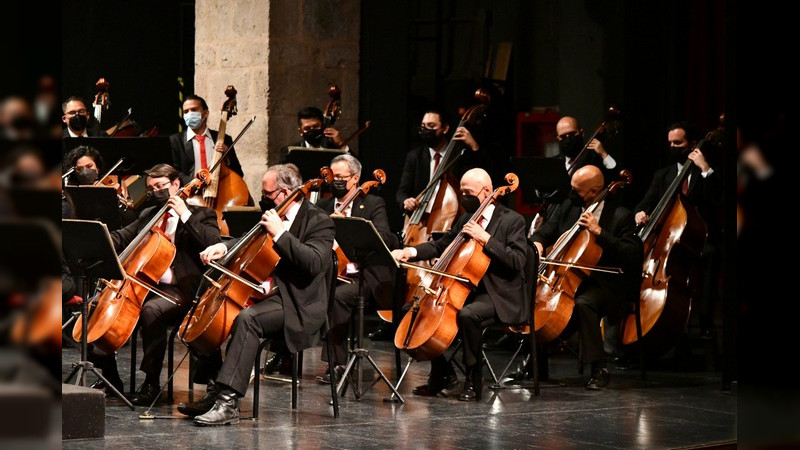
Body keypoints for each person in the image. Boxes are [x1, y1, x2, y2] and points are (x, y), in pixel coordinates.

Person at [188, 163, 334, 426]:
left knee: (248, 319)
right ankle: (214, 389)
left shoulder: (319, 221)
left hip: (297, 301)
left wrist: (280, 233)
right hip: (266, 293)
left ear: (286, 192)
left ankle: (228, 403)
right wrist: (223, 246)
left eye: (268, 194)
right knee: (209, 311)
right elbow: (246, 240)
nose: (264, 199)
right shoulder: (272, 212)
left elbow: (314, 263)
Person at [391, 168, 528, 401]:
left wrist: (486, 239)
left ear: (487, 191)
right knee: (412, 311)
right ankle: (443, 374)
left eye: (469, 192)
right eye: (461, 192)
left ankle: (474, 381)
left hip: (498, 293)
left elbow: (517, 261)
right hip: (465, 288)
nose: (464, 197)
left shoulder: (512, 220)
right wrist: (410, 251)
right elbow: (441, 246)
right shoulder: (466, 219)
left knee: (468, 316)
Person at [109, 163, 222, 406]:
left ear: (176, 185)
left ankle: (151, 383)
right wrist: (97, 235)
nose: (157, 192)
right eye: (151, 189)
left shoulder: (202, 214)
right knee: (97, 308)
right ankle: (109, 377)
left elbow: (212, 242)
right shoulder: (149, 214)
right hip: (149, 285)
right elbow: (123, 236)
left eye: (161, 187)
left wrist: (184, 213)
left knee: (151, 310)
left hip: (184, 289)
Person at [530, 165, 642, 390]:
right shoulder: (570, 206)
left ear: (594, 192)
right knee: (535, 300)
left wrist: (600, 233)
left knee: (583, 303)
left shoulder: (620, 215)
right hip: (571, 278)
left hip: (606, 284)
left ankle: (598, 368)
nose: (571, 194)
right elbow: (547, 230)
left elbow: (633, 255)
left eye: (577, 190)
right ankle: (534, 365)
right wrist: (538, 242)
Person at [380, 108, 486, 342]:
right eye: (423, 125)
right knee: (401, 264)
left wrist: (473, 147)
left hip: (445, 223)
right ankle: (395, 319)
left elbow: (482, 177)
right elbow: (401, 191)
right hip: (417, 223)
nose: (425, 130)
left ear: (445, 128)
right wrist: (404, 201)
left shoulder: (460, 154)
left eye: (431, 126)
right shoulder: (415, 156)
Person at [310, 154, 400, 383]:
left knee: (337, 297)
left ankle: (336, 364)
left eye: (341, 177)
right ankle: (285, 354)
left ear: (355, 179)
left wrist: (348, 227)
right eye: (333, 176)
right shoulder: (322, 206)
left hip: (366, 276)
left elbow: (387, 240)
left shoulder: (372, 203)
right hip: (332, 272)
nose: (335, 181)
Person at [634, 121, 722, 338]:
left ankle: (705, 321)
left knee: (712, 256)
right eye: (670, 143)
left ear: (692, 144)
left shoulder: (707, 172)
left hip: (700, 239)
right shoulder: (662, 175)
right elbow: (645, 202)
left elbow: (719, 198)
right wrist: (640, 213)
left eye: (678, 143)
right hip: (671, 240)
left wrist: (705, 168)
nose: (673, 147)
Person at [169, 94, 244, 185]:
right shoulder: (175, 140)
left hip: (219, 191)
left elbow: (238, 173)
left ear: (205, 113)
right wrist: (194, 183)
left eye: (194, 110)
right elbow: (172, 172)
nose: (189, 114)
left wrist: (227, 155)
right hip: (190, 193)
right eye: (186, 111)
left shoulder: (224, 139)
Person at [62, 145, 138, 228]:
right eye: (79, 169)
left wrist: (108, 195)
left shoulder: (111, 183)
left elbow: (130, 217)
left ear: (97, 167)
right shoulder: (71, 193)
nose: (85, 172)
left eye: (89, 166)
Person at [278, 106, 351, 162]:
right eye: (307, 128)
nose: (312, 130)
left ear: (323, 127)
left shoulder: (334, 150)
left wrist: (342, 144)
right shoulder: (289, 151)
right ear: (300, 131)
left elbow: (357, 168)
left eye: (316, 126)